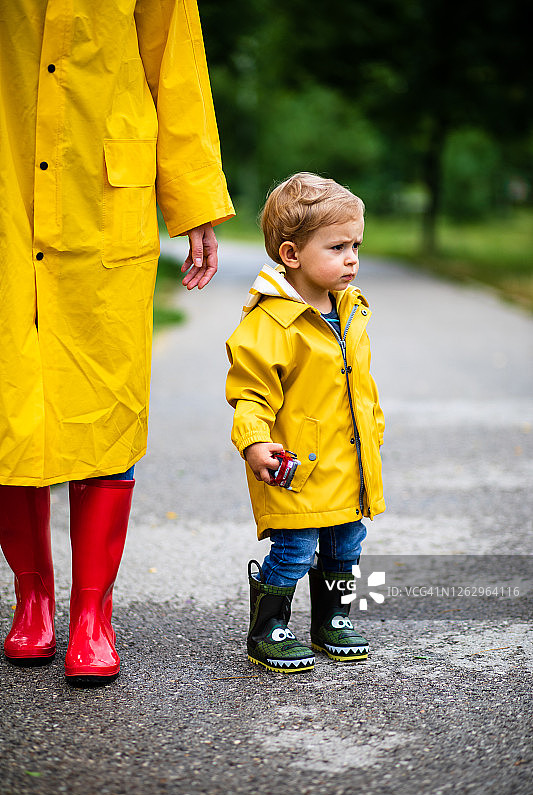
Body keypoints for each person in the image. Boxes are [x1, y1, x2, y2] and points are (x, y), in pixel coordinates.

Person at [0, 0, 234, 685]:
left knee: (106, 402)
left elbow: (176, 64)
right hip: (8, 180)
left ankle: (93, 614)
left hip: (104, 194)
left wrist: (191, 203)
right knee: (11, 404)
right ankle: (33, 598)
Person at [225, 173, 384, 673]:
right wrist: (254, 442)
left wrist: (374, 432)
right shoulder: (272, 324)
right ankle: (269, 626)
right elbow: (250, 394)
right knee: (295, 548)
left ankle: (332, 620)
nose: (352, 258)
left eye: (355, 244)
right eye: (337, 247)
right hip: (299, 467)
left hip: (348, 462)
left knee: (346, 542)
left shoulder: (349, 311)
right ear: (291, 255)